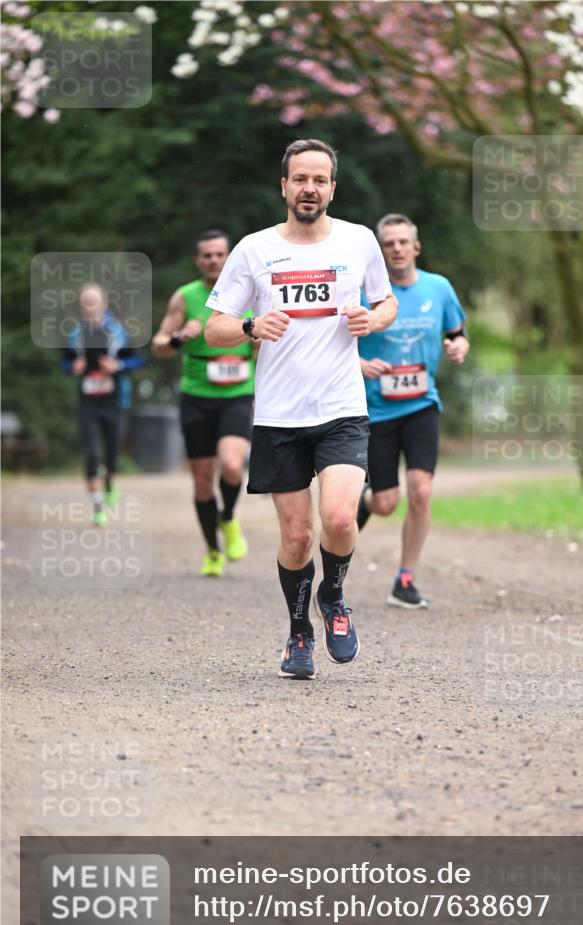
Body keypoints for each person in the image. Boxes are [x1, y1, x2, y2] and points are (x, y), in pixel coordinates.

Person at [204, 139, 397, 679]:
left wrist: (373, 321)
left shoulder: (359, 242)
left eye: (320, 179)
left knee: (338, 518)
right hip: (278, 418)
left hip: (341, 408)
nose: (309, 188)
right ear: (284, 186)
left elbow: (387, 302)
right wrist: (249, 326)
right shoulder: (254, 249)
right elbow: (213, 326)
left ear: (332, 187)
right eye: (300, 179)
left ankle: (333, 597)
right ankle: (298, 632)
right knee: (296, 537)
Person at [357, 213, 469, 609]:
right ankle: (362, 502)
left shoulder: (438, 288)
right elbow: (331, 345)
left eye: (403, 242)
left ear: (416, 247)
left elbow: (457, 333)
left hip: (422, 405)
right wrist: (360, 365)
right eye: (389, 243)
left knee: (421, 491)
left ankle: (405, 578)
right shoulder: (364, 292)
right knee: (386, 503)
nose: (397, 248)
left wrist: (459, 347)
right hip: (376, 411)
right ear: (380, 250)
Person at [152, 230, 255, 576]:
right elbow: (159, 345)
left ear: (229, 258)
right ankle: (212, 549)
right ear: (198, 260)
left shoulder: (248, 293)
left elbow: (265, 340)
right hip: (197, 395)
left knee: (230, 464)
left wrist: (256, 344)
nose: (214, 260)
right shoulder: (185, 297)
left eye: (219, 254)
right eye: (207, 255)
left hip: (238, 394)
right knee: (201, 480)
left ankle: (228, 518)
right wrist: (180, 337)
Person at [63, 284, 143, 526]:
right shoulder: (75, 334)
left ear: (104, 303)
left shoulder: (119, 332)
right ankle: (98, 508)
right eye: (85, 302)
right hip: (87, 401)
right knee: (90, 453)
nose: (90, 306)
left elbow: (138, 359)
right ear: (81, 306)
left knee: (111, 455)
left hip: (115, 400)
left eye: (94, 301)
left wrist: (119, 366)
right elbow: (65, 363)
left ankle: (109, 482)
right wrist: (72, 368)